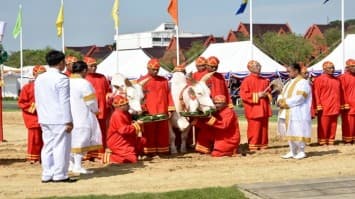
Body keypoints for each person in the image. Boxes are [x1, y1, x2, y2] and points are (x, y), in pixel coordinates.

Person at [34, 50, 76, 183]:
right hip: (59, 118)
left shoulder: (40, 78)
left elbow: (38, 99)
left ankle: (47, 174)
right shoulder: (61, 78)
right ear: (60, 62)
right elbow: (64, 101)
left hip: (45, 117)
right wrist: (68, 120)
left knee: (48, 146)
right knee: (61, 147)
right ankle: (60, 174)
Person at [69, 61, 103, 174]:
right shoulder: (84, 83)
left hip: (68, 117)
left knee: (70, 140)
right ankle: (77, 166)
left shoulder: (66, 82)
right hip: (82, 115)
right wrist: (96, 110)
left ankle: (71, 164)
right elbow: (91, 101)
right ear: (84, 70)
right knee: (81, 140)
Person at [137, 58, 173, 155]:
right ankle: (150, 151)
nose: (156, 71)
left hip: (162, 110)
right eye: (153, 69)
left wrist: (170, 108)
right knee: (149, 132)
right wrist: (142, 108)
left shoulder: (164, 80)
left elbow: (169, 94)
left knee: (163, 132)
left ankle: (163, 150)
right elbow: (139, 97)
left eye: (157, 69)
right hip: (149, 111)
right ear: (148, 68)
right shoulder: (141, 81)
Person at [277, 63, 312, 159]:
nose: (288, 73)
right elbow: (281, 94)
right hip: (286, 111)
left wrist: (284, 103)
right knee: (289, 131)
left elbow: (300, 98)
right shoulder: (288, 82)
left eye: (289, 71)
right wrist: (279, 101)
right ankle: (292, 151)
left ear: (296, 71)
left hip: (297, 112)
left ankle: (301, 151)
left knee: (298, 131)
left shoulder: (303, 82)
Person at [239, 60, 272, 151]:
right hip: (253, 109)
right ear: (250, 68)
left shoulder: (265, 81)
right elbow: (243, 95)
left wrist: (267, 95)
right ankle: (253, 145)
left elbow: (269, 93)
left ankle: (263, 144)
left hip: (264, 108)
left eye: (259, 65)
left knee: (264, 128)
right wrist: (257, 95)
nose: (259, 67)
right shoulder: (246, 81)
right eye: (256, 66)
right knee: (254, 128)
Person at [103, 95, 145, 164]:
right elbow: (123, 130)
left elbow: (128, 125)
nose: (128, 105)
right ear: (120, 106)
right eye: (126, 104)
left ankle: (129, 153)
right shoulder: (117, 115)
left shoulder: (126, 113)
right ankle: (109, 157)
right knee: (132, 159)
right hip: (118, 141)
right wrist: (136, 125)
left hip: (126, 139)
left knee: (142, 141)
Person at [84, 56, 111, 159]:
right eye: (91, 66)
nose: (94, 68)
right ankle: (87, 154)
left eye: (95, 65)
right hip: (88, 110)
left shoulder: (102, 77)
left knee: (101, 131)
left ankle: (99, 153)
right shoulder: (83, 78)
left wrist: (108, 97)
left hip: (102, 109)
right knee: (88, 131)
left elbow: (108, 91)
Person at [18, 65, 46, 164]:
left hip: (47, 116)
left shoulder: (49, 87)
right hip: (33, 117)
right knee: (35, 138)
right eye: (40, 74)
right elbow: (22, 102)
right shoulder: (27, 88)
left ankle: (44, 157)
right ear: (34, 75)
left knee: (46, 138)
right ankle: (33, 157)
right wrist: (34, 107)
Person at [313, 61, 341, 145]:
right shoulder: (319, 79)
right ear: (324, 69)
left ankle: (331, 140)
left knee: (333, 124)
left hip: (335, 105)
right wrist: (318, 105)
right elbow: (316, 93)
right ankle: (322, 141)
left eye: (333, 68)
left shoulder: (337, 80)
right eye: (330, 68)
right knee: (323, 125)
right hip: (324, 106)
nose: (332, 70)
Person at [339, 59, 355, 144]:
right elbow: (341, 92)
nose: (354, 68)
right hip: (348, 104)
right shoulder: (342, 77)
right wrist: (344, 103)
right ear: (347, 67)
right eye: (352, 66)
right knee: (348, 122)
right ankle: (348, 139)